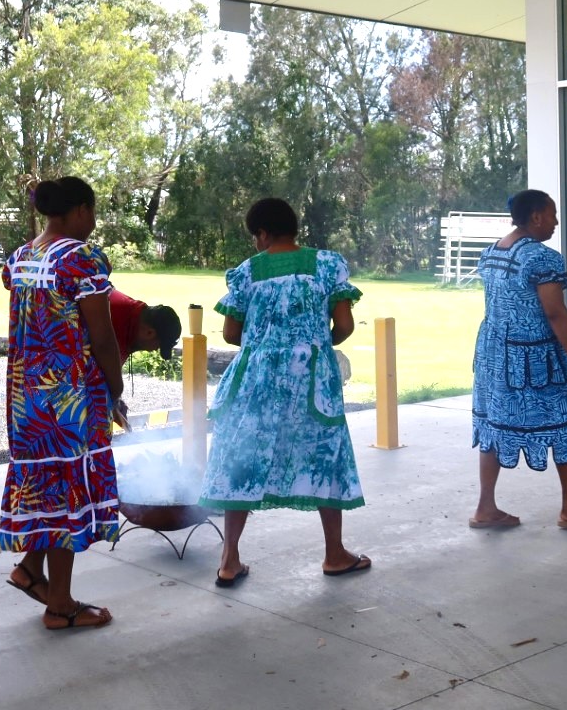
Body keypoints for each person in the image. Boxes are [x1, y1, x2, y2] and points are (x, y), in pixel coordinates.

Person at [200, 197, 371, 586]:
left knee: (242, 459)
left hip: (256, 379)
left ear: (262, 234)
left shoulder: (246, 273)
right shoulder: (327, 265)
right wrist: (316, 343)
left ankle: (229, 559)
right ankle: (335, 554)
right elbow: (344, 325)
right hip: (311, 377)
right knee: (326, 454)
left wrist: (267, 341)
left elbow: (230, 334)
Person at [0, 176, 126, 631]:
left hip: (24, 394)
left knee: (47, 483)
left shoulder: (21, 256)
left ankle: (32, 570)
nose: (92, 222)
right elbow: (102, 334)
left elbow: (16, 292)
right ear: (76, 211)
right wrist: (115, 387)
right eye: (90, 211)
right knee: (68, 487)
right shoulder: (81, 259)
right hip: (68, 393)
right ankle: (61, 605)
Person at [470, 189, 567, 531]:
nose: (555, 222)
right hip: (535, 358)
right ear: (536, 217)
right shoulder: (542, 258)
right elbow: (555, 314)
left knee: (493, 423)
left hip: (494, 355)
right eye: (552, 215)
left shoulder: (491, 254)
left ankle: (485, 507)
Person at [108, 288, 182, 364]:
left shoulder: (132, 315)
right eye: (158, 346)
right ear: (149, 333)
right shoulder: (117, 334)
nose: (154, 350)